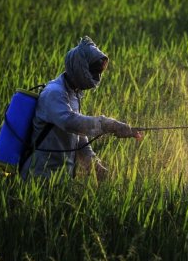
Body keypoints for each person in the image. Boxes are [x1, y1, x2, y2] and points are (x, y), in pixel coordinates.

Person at [20, 36, 141, 180]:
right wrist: (109, 125)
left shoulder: (73, 93)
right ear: (80, 66)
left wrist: (93, 164)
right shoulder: (54, 93)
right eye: (93, 70)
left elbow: (78, 135)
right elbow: (70, 122)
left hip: (60, 177)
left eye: (98, 71)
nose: (96, 76)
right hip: (38, 175)